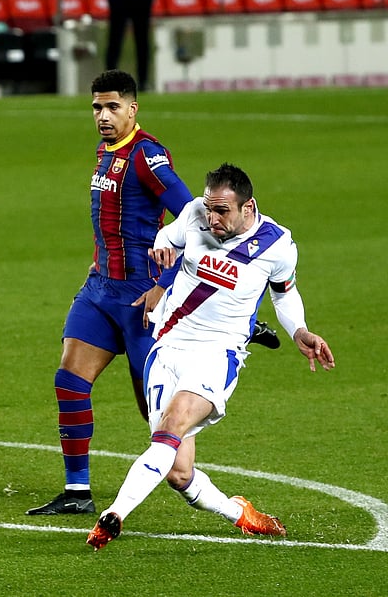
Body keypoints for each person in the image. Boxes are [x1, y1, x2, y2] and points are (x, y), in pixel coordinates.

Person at [87, 163, 334, 550]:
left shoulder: (277, 244)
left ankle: (114, 515)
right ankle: (239, 513)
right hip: (167, 347)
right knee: (178, 473)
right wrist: (163, 248)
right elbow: (168, 238)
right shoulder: (194, 215)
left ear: (248, 207)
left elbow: (284, 294)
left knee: (172, 425)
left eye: (222, 211)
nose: (212, 218)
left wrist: (300, 331)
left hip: (217, 353)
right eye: (209, 209)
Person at [26, 69, 193, 516]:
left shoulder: (147, 156)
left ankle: (203, 492)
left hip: (142, 298)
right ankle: (77, 491)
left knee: (155, 414)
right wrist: (98, 259)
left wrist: (163, 285)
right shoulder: (106, 151)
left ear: (133, 109)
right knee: (70, 380)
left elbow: (194, 221)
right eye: (97, 107)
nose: (103, 115)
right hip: (100, 291)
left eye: (113, 106)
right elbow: (111, 221)